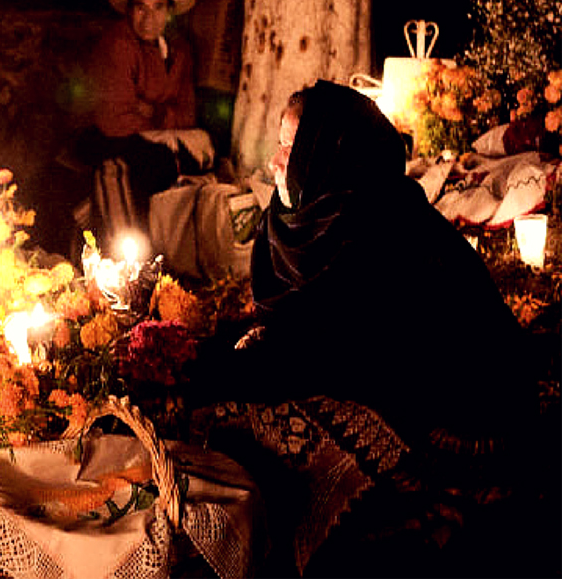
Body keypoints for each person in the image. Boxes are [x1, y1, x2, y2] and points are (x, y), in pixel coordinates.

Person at [186, 80, 549, 576]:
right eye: (279, 144)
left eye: (291, 148)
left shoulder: (380, 231)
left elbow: (332, 358)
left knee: (248, 423)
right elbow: (294, 326)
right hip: (361, 373)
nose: (274, 162)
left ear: (329, 156)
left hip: (455, 410)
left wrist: (211, 367)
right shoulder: (303, 219)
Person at [76, 0, 213, 248]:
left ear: (169, 12)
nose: (149, 19)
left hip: (154, 135)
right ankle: (129, 255)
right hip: (106, 137)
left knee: (202, 158)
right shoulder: (118, 45)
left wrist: (151, 110)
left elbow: (187, 115)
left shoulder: (180, 50)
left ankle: (174, 250)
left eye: (158, 8)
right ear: (129, 11)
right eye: (140, 8)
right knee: (141, 162)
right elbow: (113, 121)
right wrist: (164, 120)